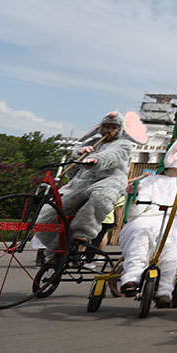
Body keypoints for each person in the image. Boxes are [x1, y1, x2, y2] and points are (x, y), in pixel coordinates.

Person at [35, 111, 143, 259]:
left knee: (102, 197)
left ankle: (82, 234)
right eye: (106, 126)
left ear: (120, 129)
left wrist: (96, 160)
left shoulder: (124, 144)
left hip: (109, 180)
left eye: (114, 127)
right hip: (81, 183)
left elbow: (113, 155)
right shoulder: (91, 143)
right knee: (51, 210)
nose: (109, 130)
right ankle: (56, 249)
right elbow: (72, 173)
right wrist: (78, 155)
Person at [118, 139, 177, 308]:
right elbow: (138, 204)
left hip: (175, 218)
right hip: (149, 217)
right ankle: (132, 277)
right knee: (140, 232)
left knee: (172, 244)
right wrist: (135, 193)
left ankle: (164, 291)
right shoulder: (151, 180)